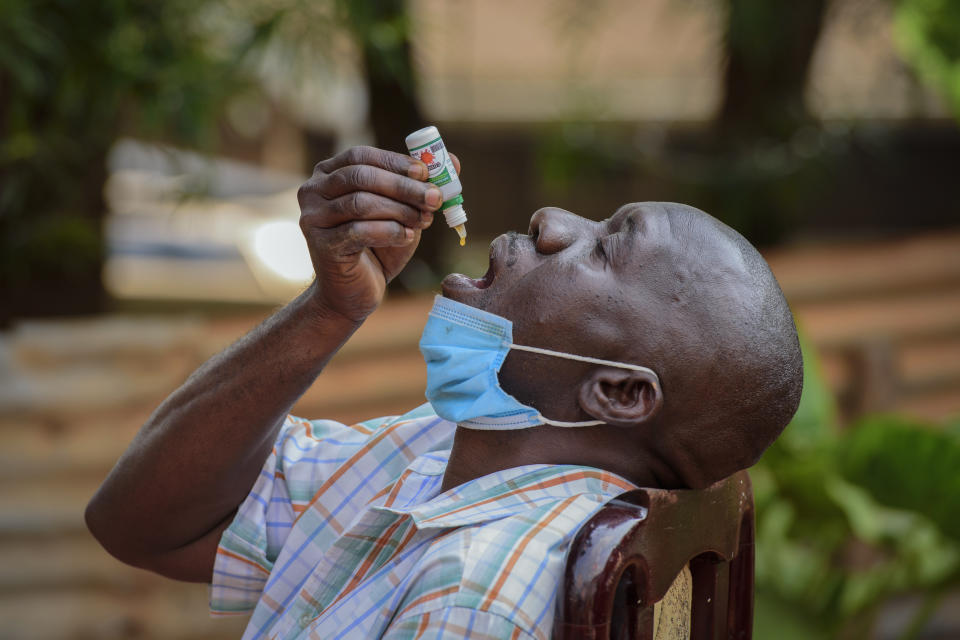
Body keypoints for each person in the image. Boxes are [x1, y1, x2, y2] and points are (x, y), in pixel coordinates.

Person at [86, 146, 803, 639]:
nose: (551, 221)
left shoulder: (476, 592)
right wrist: (330, 308)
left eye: (606, 248)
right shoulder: (436, 453)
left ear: (617, 393)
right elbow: (138, 525)